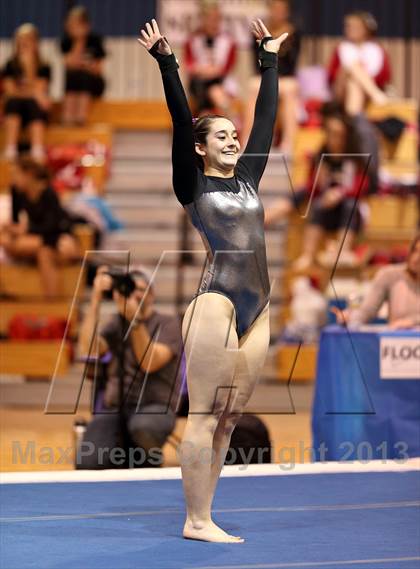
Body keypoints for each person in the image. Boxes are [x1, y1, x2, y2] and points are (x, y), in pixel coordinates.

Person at [138, 18, 288, 543]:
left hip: (259, 305)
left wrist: (268, 61)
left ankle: (206, 513)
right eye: (221, 134)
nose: (233, 138)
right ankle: (195, 520)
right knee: (204, 413)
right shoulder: (192, 182)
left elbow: (265, 121)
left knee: (229, 419)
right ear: (202, 148)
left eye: (233, 134)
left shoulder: (248, 176)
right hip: (216, 302)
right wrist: (167, 64)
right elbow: (182, 124)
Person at [76, 265, 183, 470]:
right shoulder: (116, 323)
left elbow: (149, 362)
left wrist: (135, 321)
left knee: (143, 429)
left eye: (140, 288)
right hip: (115, 409)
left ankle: (146, 457)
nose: (134, 294)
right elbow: (89, 349)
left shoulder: (168, 324)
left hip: (155, 407)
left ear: (151, 295)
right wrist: (96, 300)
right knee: (88, 462)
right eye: (128, 288)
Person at [292, 108, 369, 270]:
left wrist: (340, 193)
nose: (335, 139)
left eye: (339, 134)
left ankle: (343, 250)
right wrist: (320, 186)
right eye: (332, 133)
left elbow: (362, 186)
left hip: (349, 211)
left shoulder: (354, 158)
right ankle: (307, 255)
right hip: (327, 209)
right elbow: (311, 186)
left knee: (350, 204)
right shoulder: (321, 157)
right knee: (318, 205)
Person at [0, 156, 80, 298]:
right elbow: (15, 219)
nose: (13, 179)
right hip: (37, 238)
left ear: (29, 175)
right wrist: (10, 228)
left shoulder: (48, 193)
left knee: (44, 254)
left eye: (16, 174)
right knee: (5, 239)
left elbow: (52, 227)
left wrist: (25, 230)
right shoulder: (16, 191)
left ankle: (53, 304)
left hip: (55, 238)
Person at [241, 0, 301, 155]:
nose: (278, 12)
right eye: (275, 9)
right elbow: (256, 63)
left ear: (287, 12)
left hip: (285, 77)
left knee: (290, 88)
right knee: (253, 85)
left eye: (282, 9)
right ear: (269, 10)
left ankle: (289, 143)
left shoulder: (293, 32)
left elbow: (292, 65)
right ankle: (246, 140)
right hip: (265, 74)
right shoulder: (260, 31)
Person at [333, 233, 420, 329]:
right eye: (415, 251)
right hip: (396, 340)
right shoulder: (389, 275)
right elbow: (367, 310)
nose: (416, 258)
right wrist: (350, 318)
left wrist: (413, 322)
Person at [1, 23, 51, 162]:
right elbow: (10, 91)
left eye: (28, 40)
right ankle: (10, 148)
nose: (24, 44)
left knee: (33, 104)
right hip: (15, 109)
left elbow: (40, 89)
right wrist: (33, 93)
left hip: (33, 110)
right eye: (21, 40)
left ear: (35, 43)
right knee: (14, 103)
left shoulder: (43, 66)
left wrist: (28, 68)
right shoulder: (10, 65)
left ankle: (37, 149)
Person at [328, 11, 391, 116]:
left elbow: (385, 76)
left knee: (354, 84)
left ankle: (354, 121)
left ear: (366, 29)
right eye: (348, 26)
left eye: (355, 27)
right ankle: (376, 95)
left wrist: (359, 77)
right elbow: (331, 76)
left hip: (362, 91)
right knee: (353, 66)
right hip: (341, 91)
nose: (350, 30)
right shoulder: (342, 47)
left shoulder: (376, 49)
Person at [184, 2, 237, 116]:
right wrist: (205, 70)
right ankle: (230, 120)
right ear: (203, 19)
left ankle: (218, 118)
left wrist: (212, 71)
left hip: (221, 83)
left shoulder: (228, 41)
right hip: (199, 83)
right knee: (211, 92)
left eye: (217, 19)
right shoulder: (193, 40)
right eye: (210, 19)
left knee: (216, 92)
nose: (213, 23)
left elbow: (226, 68)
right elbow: (190, 66)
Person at [60, 5, 106, 125]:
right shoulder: (67, 42)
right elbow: (69, 64)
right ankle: (68, 116)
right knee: (73, 74)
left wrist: (84, 66)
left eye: (77, 24)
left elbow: (98, 69)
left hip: (93, 83)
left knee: (83, 75)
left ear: (86, 25)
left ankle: (81, 116)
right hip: (74, 83)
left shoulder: (95, 40)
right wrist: (79, 41)